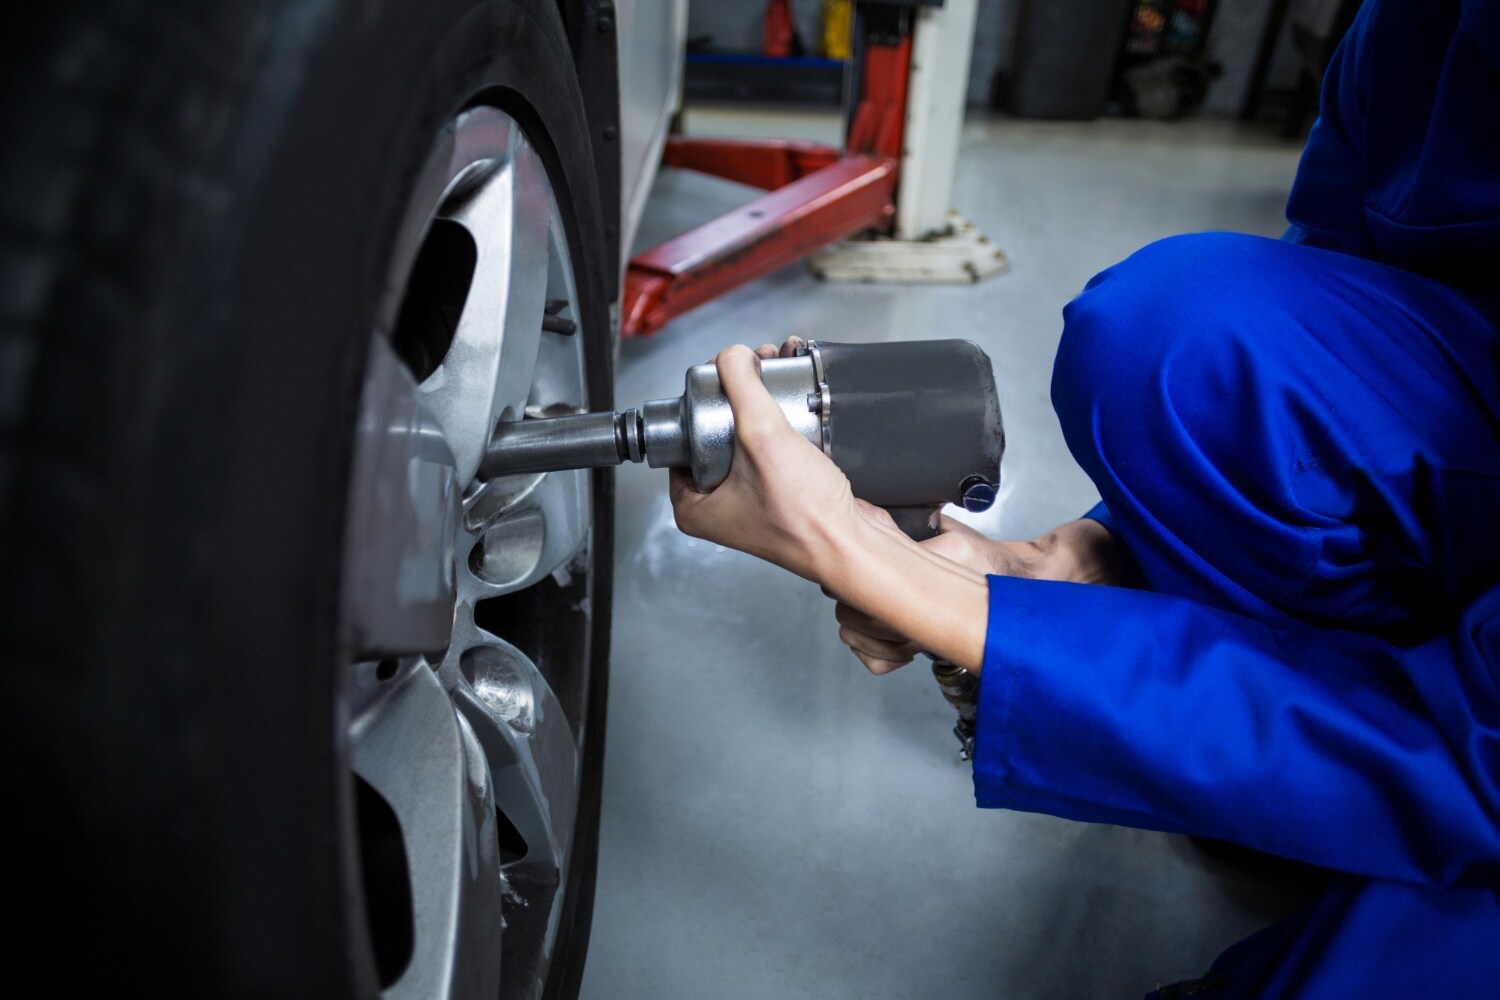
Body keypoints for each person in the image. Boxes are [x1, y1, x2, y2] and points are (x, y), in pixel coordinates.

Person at [669, 0, 1500, 994]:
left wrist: (922, 588)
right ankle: (1297, 762)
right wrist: (1085, 559)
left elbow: (1479, 754)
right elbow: (1333, 319)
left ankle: (1314, 775)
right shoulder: (1421, 26)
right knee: (1183, 338)